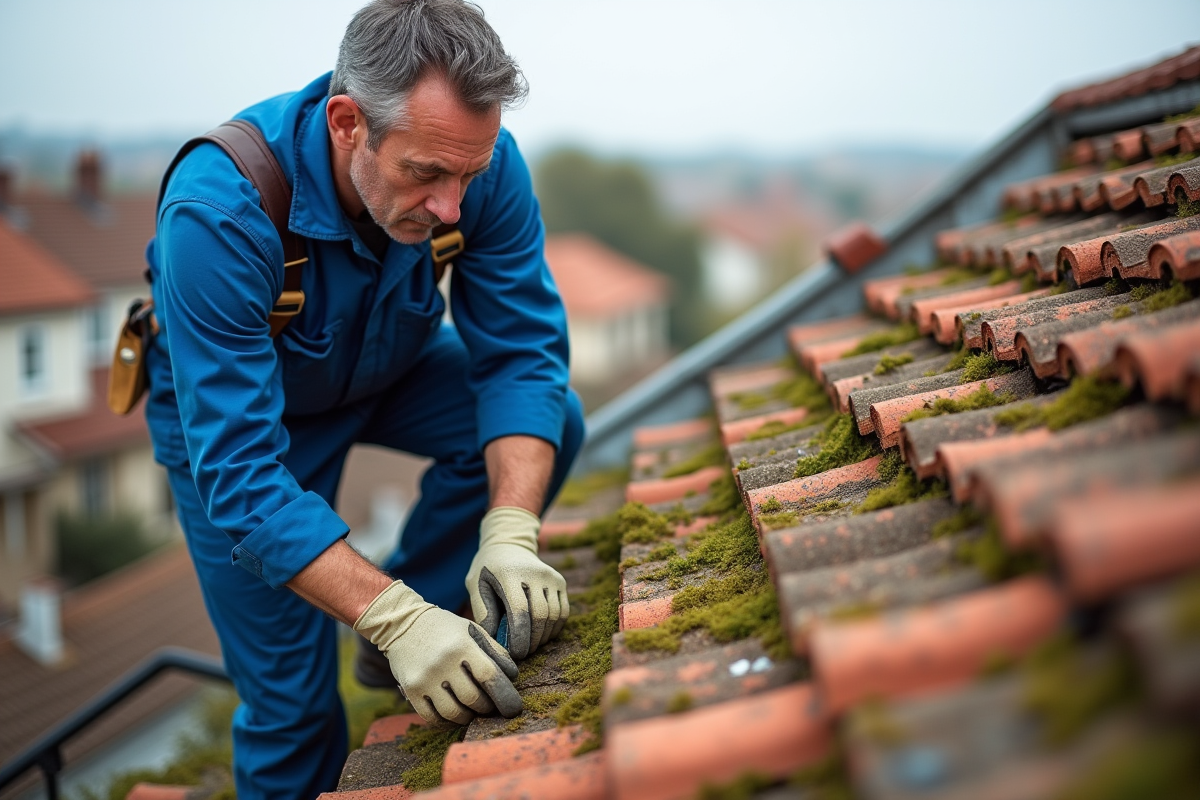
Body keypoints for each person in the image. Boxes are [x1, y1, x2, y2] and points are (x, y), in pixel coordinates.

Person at [143, 1, 582, 796]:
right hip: (246, 436)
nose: (452, 206)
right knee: (293, 710)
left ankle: (412, 632)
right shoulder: (218, 213)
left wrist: (511, 529)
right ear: (348, 123)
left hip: (388, 372)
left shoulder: (474, 161)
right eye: (425, 174)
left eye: (468, 176)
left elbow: (521, 357)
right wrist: (392, 613)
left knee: (554, 420)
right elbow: (240, 471)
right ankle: (401, 627)